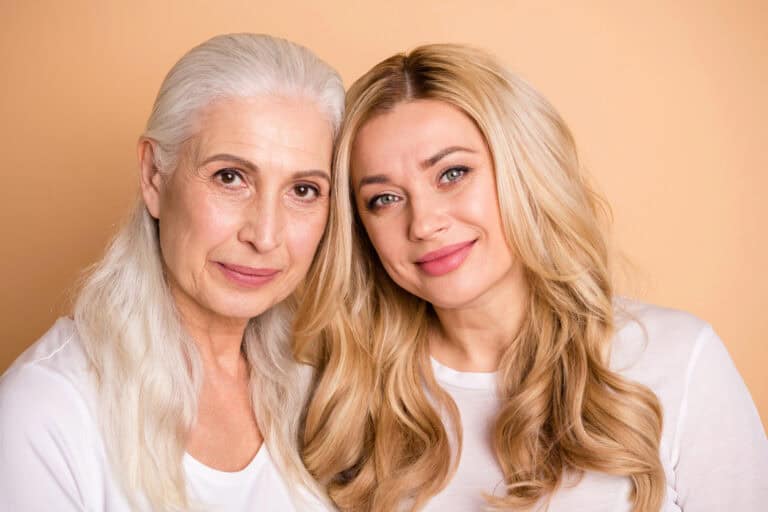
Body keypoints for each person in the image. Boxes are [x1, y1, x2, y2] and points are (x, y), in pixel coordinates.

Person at [297, 44, 768, 511]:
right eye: (384, 199)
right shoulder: (340, 397)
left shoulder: (675, 358)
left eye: (452, 173)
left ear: (524, 170)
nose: (423, 223)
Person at [0, 33, 343, 511]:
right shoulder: (45, 411)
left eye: (303, 190)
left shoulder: (328, 388)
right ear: (154, 177)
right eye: (230, 177)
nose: (265, 235)